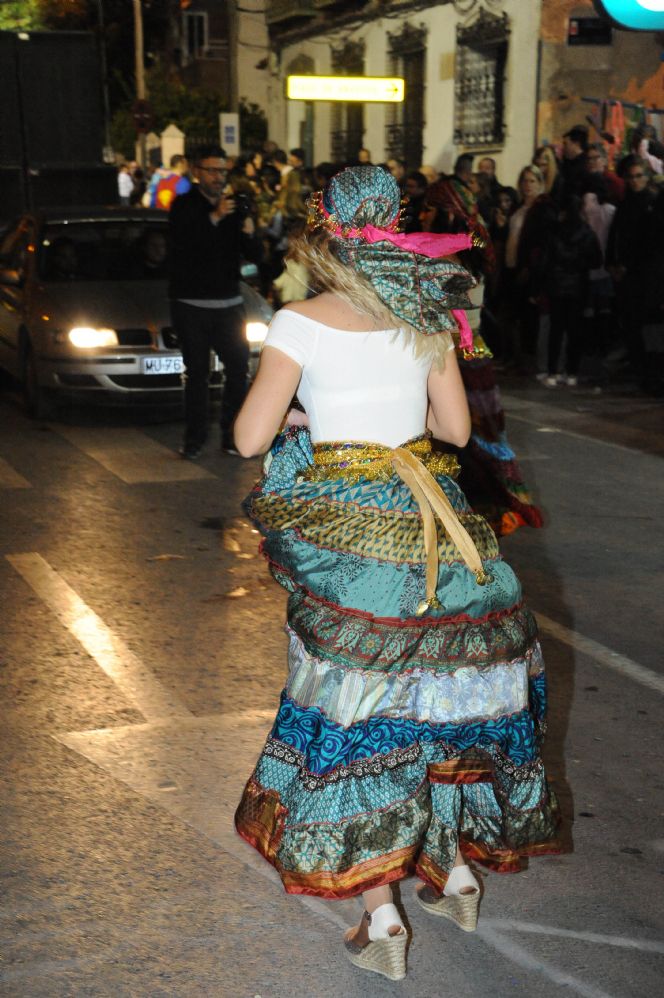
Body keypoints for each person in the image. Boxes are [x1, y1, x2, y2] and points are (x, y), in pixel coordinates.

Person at [233, 166, 560, 982]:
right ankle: (452, 875)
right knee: (436, 712)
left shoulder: (298, 322)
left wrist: (310, 413)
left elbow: (247, 439)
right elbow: (452, 429)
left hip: (351, 546)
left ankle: (381, 918)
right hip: (436, 535)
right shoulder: (426, 318)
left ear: (324, 234)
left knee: (354, 723)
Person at [168, 144, 260, 459]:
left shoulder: (233, 207)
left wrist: (249, 230)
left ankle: (231, 436)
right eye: (212, 170)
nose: (219, 177)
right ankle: (194, 439)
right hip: (191, 305)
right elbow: (185, 246)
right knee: (197, 373)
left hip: (228, 305)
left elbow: (253, 256)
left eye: (223, 171)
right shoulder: (183, 206)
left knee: (238, 369)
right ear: (197, 172)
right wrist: (214, 217)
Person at [541, 195, 602, 387]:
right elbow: (596, 261)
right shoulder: (587, 233)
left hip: (557, 286)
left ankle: (552, 370)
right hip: (579, 286)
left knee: (556, 329)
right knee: (575, 330)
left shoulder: (555, 232)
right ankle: (572, 371)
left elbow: (546, 259)